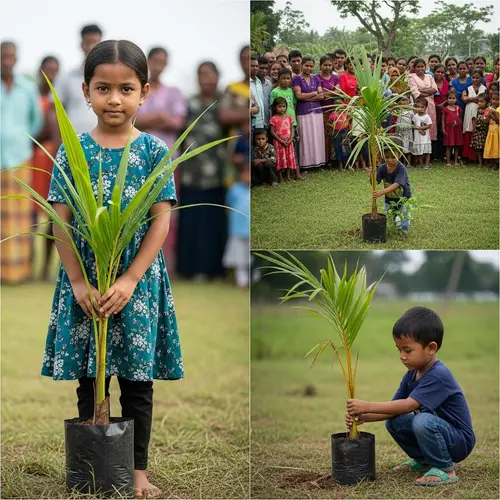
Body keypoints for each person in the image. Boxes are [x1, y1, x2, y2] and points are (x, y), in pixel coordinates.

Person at [43, 40, 182, 498]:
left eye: (126, 89)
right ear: (85, 91)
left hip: (135, 281)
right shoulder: (73, 151)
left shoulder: (153, 151)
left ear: (144, 92)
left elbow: (161, 219)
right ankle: (90, 466)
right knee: (92, 376)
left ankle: (137, 470)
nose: (115, 99)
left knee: (137, 383)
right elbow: (59, 221)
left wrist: (130, 277)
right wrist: (79, 281)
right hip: (85, 277)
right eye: (103, 88)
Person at [346, 307, 475, 486]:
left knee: (422, 420)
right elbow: (393, 409)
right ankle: (423, 460)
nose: (402, 356)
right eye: (399, 350)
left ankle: (445, 468)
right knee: (394, 422)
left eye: (407, 350)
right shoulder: (412, 375)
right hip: (438, 432)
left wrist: (366, 405)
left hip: (458, 440)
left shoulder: (438, 375)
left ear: (431, 348)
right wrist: (364, 417)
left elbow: (408, 405)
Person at [134, 47, 187, 271]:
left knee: (166, 212)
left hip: (166, 160)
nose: (158, 65)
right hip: (138, 160)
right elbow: (132, 119)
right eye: (154, 60)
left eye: (162, 61)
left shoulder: (174, 92)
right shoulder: (136, 90)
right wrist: (159, 117)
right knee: (138, 211)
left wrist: (149, 119)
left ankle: (165, 264)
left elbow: (177, 122)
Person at [176, 62, 228, 282]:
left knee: (212, 224)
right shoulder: (189, 102)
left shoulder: (225, 103)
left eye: (210, 74)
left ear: (217, 76)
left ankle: (213, 270)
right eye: (202, 75)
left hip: (217, 174)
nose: (206, 79)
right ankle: (187, 269)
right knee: (190, 223)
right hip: (191, 172)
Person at [0, 41, 43, 284]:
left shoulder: (27, 88)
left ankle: (18, 273)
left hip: (19, 158)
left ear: (16, 58)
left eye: (10, 56)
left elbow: (35, 122)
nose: (6, 60)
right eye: (2, 55)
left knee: (19, 218)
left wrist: (18, 139)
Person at [49, 24, 102, 143]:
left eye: (96, 42)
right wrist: (59, 143)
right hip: (73, 145)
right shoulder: (66, 77)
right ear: (82, 45)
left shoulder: (110, 77)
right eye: (88, 42)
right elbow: (55, 112)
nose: (92, 47)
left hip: (105, 145)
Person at [32, 55, 60, 281]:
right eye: (47, 68)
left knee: (52, 214)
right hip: (33, 158)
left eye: (54, 69)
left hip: (52, 160)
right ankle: (27, 263)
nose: (51, 72)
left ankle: (44, 268)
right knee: (29, 213)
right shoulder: (32, 95)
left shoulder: (58, 99)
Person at [292, 57, 325, 170]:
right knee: (306, 138)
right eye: (307, 65)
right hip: (303, 112)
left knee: (317, 136)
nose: (309, 68)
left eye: (311, 66)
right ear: (302, 65)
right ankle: (306, 164)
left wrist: (306, 97)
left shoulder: (316, 78)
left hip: (317, 112)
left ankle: (319, 162)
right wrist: (314, 93)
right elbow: (298, 96)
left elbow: (321, 96)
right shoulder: (296, 79)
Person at [372, 146, 412, 233]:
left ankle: (404, 231)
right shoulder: (382, 168)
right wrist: (372, 176)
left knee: (404, 216)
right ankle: (397, 227)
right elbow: (375, 182)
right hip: (389, 198)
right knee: (392, 216)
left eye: (393, 157)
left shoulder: (401, 168)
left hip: (404, 198)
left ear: (399, 155)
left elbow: (397, 184)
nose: (390, 160)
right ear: (383, 156)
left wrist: (382, 192)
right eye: (387, 157)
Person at [222, 163, 250, 288]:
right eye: (245, 173)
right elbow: (228, 208)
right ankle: (241, 281)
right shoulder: (234, 189)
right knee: (239, 257)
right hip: (238, 229)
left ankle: (251, 280)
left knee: (250, 257)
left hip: (251, 230)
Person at [269, 97, 300, 181]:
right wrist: (280, 140)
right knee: (280, 158)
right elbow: (272, 132)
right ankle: (280, 177)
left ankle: (288, 176)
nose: (282, 108)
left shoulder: (289, 118)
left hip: (289, 142)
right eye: (279, 106)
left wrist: (290, 139)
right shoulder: (273, 119)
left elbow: (292, 129)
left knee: (288, 157)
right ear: (275, 107)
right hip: (279, 142)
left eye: (284, 106)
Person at [408, 59, 438, 145]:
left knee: (430, 124)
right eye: (418, 66)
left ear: (425, 67)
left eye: (422, 66)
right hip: (419, 105)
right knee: (419, 125)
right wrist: (428, 91)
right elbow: (416, 93)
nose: (420, 68)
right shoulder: (411, 77)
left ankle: (428, 151)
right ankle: (419, 151)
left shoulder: (430, 77)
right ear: (414, 67)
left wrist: (422, 90)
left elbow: (435, 89)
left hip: (430, 105)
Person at [270, 68, 298, 160]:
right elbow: (272, 108)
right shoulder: (275, 92)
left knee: (293, 145)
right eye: (283, 78)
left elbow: (294, 105)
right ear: (278, 79)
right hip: (279, 124)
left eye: (288, 78)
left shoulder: (291, 91)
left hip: (291, 122)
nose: (286, 80)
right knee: (281, 148)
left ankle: (294, 167)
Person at [317, 55, 340, 165]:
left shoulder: (335, 77)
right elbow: (320, 94)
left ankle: (332, 159)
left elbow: (338, 92)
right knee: (323, 135)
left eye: (329, 65)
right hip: (320, 110)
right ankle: (324, 160)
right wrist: (332, 93)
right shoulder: (316, 78)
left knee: (332, 134)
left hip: (333, 110)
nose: (327, 67)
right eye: (325, 65)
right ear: (320, 66)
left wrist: (326, 93)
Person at [462, 69, 487, 163]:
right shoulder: (468, 88)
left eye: (478, 77)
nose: (475, 79)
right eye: (473, 77)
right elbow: (464, 99)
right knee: (468, 131)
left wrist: (469, 98)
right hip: (469, 111)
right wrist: (475, 99)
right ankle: (468, 157)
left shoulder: (484, 88)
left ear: (482, 78)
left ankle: (478, 158)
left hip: (480, 112)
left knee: (478, 132)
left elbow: (483, 99)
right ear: (470, 78)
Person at [328, 96, 351, 170]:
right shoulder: (333, 114)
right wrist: (332, 126)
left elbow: (349, 121)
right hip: (336, 132)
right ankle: (340, 164)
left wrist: (349, 130)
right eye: (337, 105)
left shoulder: (346, 113)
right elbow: (328, 122)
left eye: (340, 105)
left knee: (345, 148)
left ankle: (347, 164)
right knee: (337, 147)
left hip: (345, 131)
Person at [442, 91, 464, 167]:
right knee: (448, 146)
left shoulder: (458, 108)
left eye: (453, 98)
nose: (451, 100)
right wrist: (443, 129)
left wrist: (458, 124)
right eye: (450, 98)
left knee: (456, 146)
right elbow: (443, 120)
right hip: (448, 129)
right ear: (447, 99)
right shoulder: (445, 109)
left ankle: (455, 161)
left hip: (457, 129)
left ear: (456, 99)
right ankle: (448, 161)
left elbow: (460, 119)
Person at [433, 64, 449, 161]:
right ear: (434, 72)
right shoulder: (431, 82)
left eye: (442, 72)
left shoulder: (446, 83)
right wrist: (436, 105)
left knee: (442, 132)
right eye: (438, 71)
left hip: (444, 110)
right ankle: (434, 155)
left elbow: (450, 96)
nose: (440, 74)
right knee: (434, 131)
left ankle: (441, 155)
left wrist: (443, 104)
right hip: (433, 109)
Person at [470, 93, 490, 166]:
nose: (479, 103)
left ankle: (486, 162)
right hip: (478, 132)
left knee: (485, 147)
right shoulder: (477, 110)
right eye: (478, 101)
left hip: (485, 131)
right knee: (478, 148)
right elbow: (474, 120)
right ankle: (480, 162)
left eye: (482, 102)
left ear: (487, 102)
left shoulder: (488, 110)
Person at [412, 97, 432, 168]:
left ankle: (427, 164)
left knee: (427, 152)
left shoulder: (427, 116)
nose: (420, 108)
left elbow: (429, 125)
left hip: (425, 138)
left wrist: (421, 128)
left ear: (426, 108)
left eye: (422, 107)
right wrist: (415, 127)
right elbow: (413, 124)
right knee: (419, 152)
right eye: (418, 107)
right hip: (418, 138)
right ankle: (421, 164)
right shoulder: (415, 116)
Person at [393, 95, 413, 164]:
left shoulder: (411, 111)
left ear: (409, 101)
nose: (404, 102)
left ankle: (408, 163)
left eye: (406, 100)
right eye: (402, 100)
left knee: (408, 147)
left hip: (408, 132)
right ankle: (401, 163)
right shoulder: (398, 110)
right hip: (400, 132)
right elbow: (391, 107)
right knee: (401, 146)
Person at [483, 92, 500, 168]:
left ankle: (497, 163)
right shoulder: (488, 108)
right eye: (493, 99)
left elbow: (498, 121)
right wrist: (488, 116)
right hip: (491, 131)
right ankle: (492, 162)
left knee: (497, 146)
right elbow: (485, 121)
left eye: (497, 99)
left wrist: (495, 115)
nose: (495, 101)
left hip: (498, 131)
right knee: (491, 146)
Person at [250, 56, 265, 131]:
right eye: (252, 66)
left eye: (256, 66)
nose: (255, 68)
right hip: (251, 124)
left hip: (262, 123)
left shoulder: (259, 82)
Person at [257, 56, 272, 125]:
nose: (264, 71)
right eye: (261, 68)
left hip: (267, 121)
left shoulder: (269, 84)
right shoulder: (251, 84)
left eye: (266, 68)